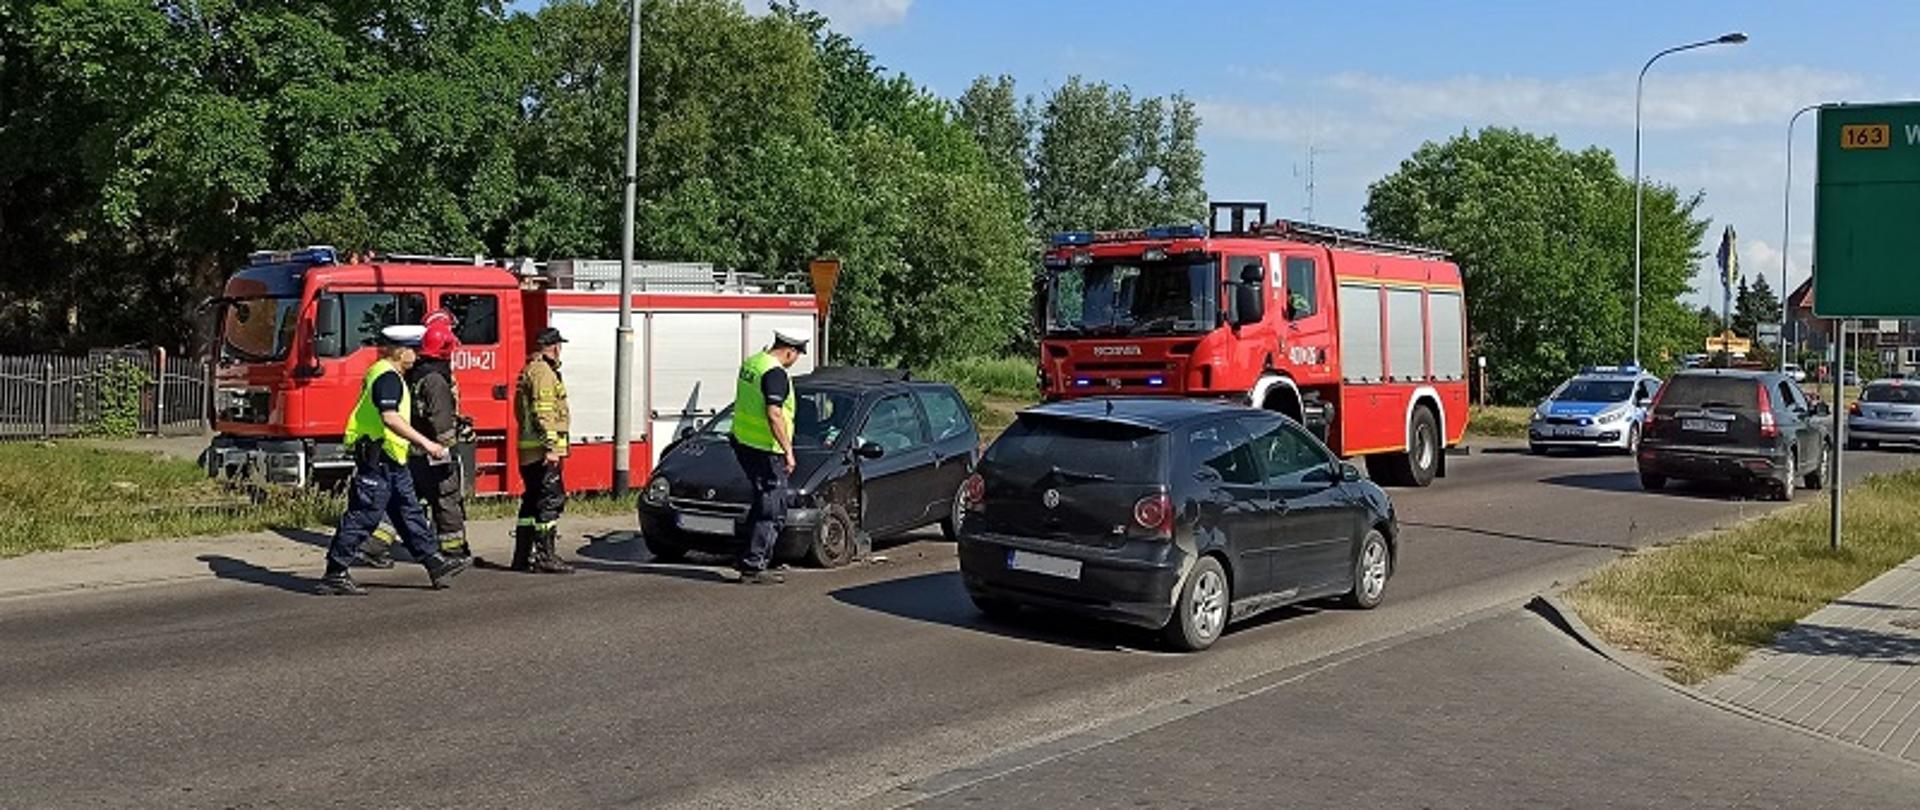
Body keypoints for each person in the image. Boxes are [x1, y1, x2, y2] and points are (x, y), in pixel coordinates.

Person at [316, 325, 471, 595]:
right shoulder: (387, 377)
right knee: (364, 515)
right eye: (413, 350)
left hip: (392, 459)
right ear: (402, 352)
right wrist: (426, 443)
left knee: (409, 512)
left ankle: (434, 563)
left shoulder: (392, 375)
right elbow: (390, 417)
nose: (417, 355)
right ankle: (335, 571)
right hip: (378, 459)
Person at [353, 311, 472, 567]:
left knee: (402, 503)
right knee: (445, 499)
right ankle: (452, 551)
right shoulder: (436, 380)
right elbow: (440, 422)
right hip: (433, 452)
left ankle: (372, 546)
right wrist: (450, 447)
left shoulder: (413, 373)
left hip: (411, 450)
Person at [730, 331, 807, 585]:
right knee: (771, 509)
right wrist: (788, 450)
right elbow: (774, 414)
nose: (794, 361)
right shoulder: (775, 373)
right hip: (767, 448)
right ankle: (754, 565)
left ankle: (745, 557)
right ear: (789, 351)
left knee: (761, 501)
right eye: (796, 355)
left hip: (744, 443)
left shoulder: (752, 362)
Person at [513, 327, 574, 574]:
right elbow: (544, 411)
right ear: (555, 347)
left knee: (531, 503)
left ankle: (522, 556)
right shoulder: (543, 372)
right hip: (541, 452)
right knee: (549, 502)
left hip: (530, 451)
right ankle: (545, 557)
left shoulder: (532, 369)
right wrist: (551, 447)